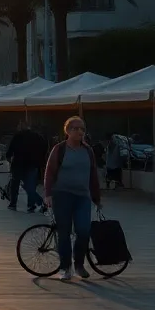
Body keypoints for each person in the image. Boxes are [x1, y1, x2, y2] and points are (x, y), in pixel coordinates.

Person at [43, 116, 103, 281]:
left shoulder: (88, 151)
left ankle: (79, 265)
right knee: (64, 233)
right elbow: (49, 172)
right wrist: (48, 194)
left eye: (82, 129)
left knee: (83, 231)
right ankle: (66, 267)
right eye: (75, 128)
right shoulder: (59, 149)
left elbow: (93, 175)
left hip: (82, 197)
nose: (79, 132)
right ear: (67, 131)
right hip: (62, 196)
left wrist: (97, 198)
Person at [5, 120, 48, 213]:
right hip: (32, 164)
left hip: (18, 164)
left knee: (15, 185)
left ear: (22, 126)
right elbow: (44, 148)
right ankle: (31, 205)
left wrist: (9, 158)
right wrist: (40, 159)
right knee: (30, 186)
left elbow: (10, 150)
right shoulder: (37, 136)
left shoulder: (18, 136)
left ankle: (13, 204)